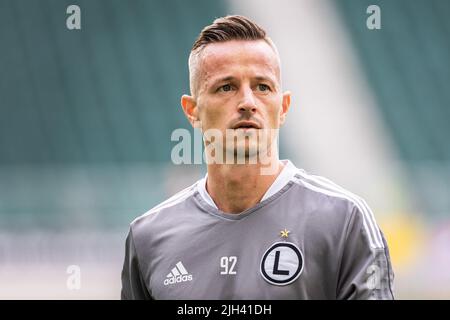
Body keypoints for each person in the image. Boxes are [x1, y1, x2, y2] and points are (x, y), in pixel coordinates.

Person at [121, 15, 394, 300]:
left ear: (284, 106)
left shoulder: (344, 221)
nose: (248, 102)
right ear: (192, 111)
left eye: (262, 87)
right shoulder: (148, 237)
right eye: (226, 87)